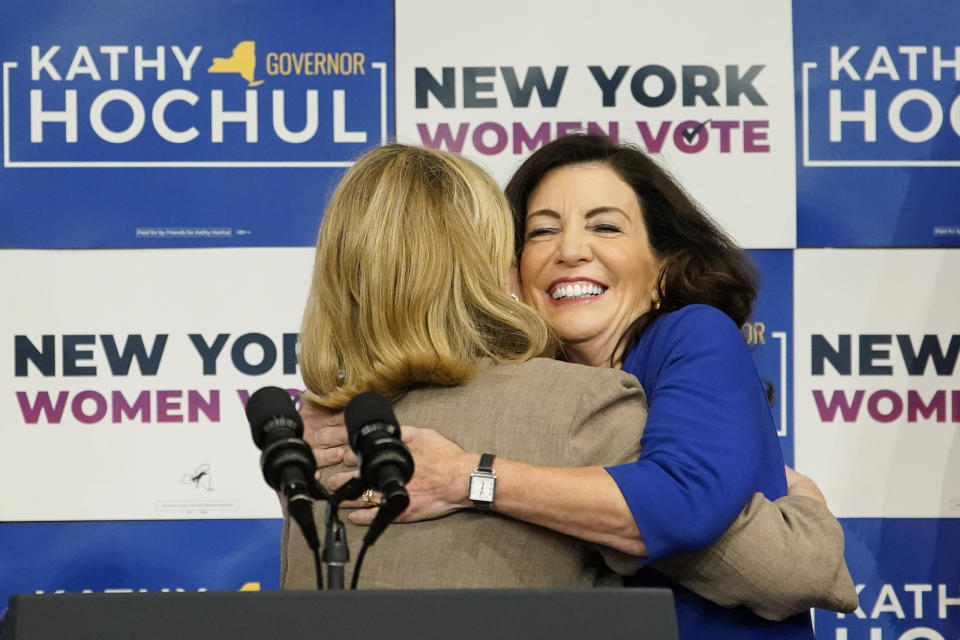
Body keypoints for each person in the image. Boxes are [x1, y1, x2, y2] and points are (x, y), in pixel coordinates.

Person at [309, 135, 856, 638]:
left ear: (664, 267)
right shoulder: (534, 389)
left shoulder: (690, 332)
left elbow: (688, 506)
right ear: (510, 267)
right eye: (542, 230)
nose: (569, 250)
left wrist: (466, 476)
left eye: (605, 226)